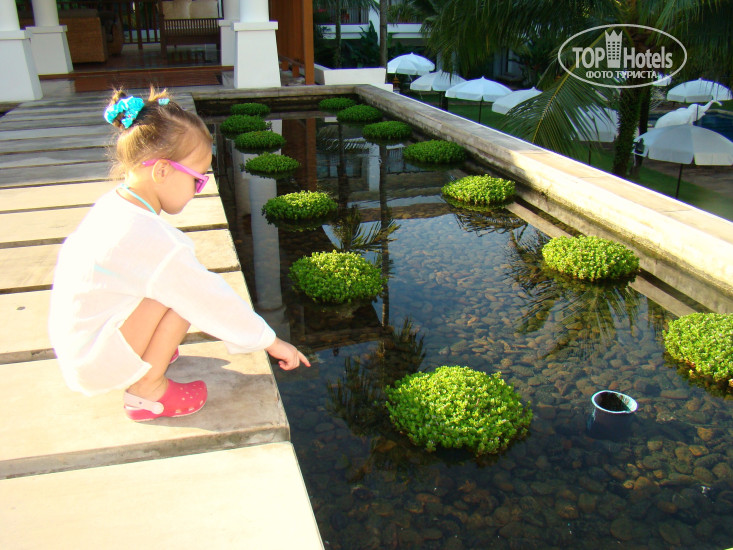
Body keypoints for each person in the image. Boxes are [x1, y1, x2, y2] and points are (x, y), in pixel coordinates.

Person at [48, 87, 310, 422]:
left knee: (173, 285)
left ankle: (148, 352)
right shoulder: (155, 242)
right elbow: (210, 299)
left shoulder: (113, 206)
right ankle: (147, 391)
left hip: (80, 348)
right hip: (95, 363)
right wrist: (271, 341)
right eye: (197, 180)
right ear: (162, 171)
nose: (199, 189)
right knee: (186, 294)